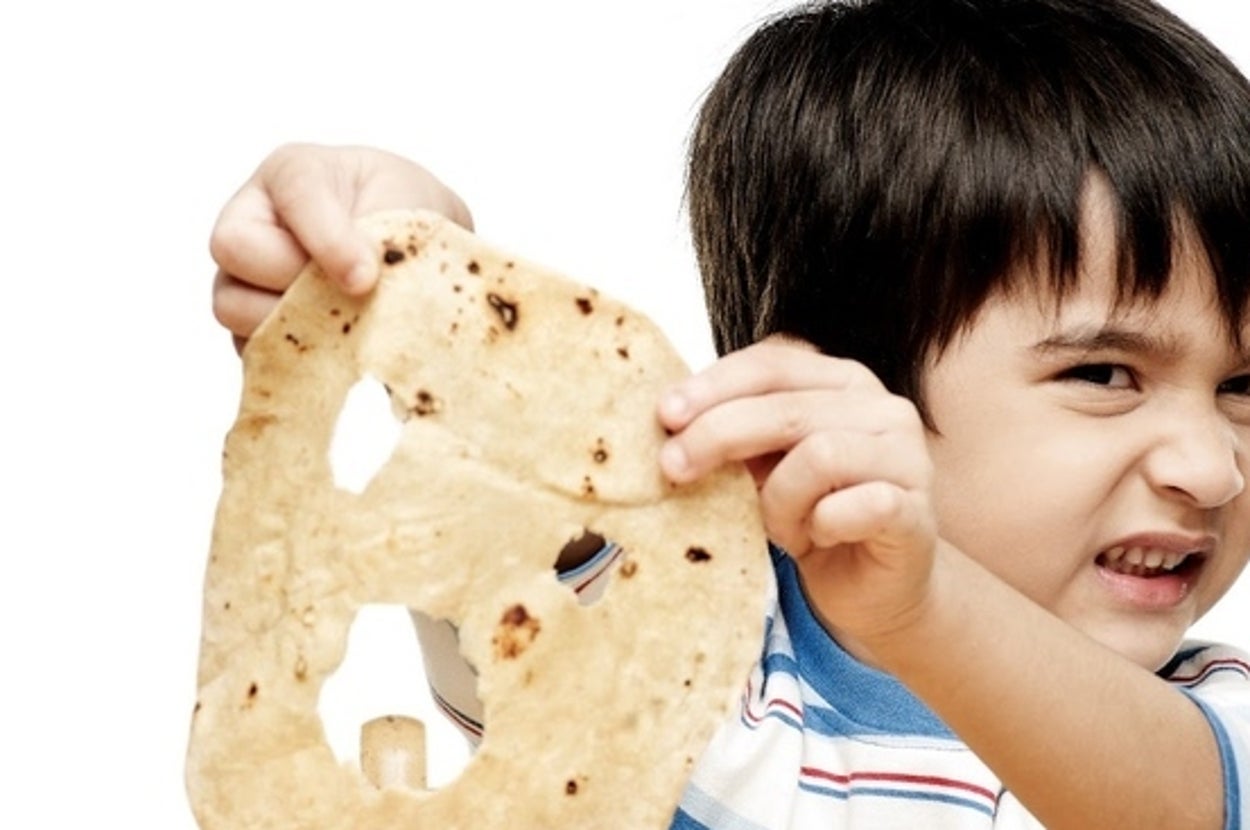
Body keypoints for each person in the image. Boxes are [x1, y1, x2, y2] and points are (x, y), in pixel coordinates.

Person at [209, 0, 1250, 827]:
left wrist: (922, 607)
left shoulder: (1213, 717)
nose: (1212, 470)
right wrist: (401, 262)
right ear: (824, 387)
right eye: (1105, 374)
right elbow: (485, 507)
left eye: (1243, 388)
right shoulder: (671, 644)